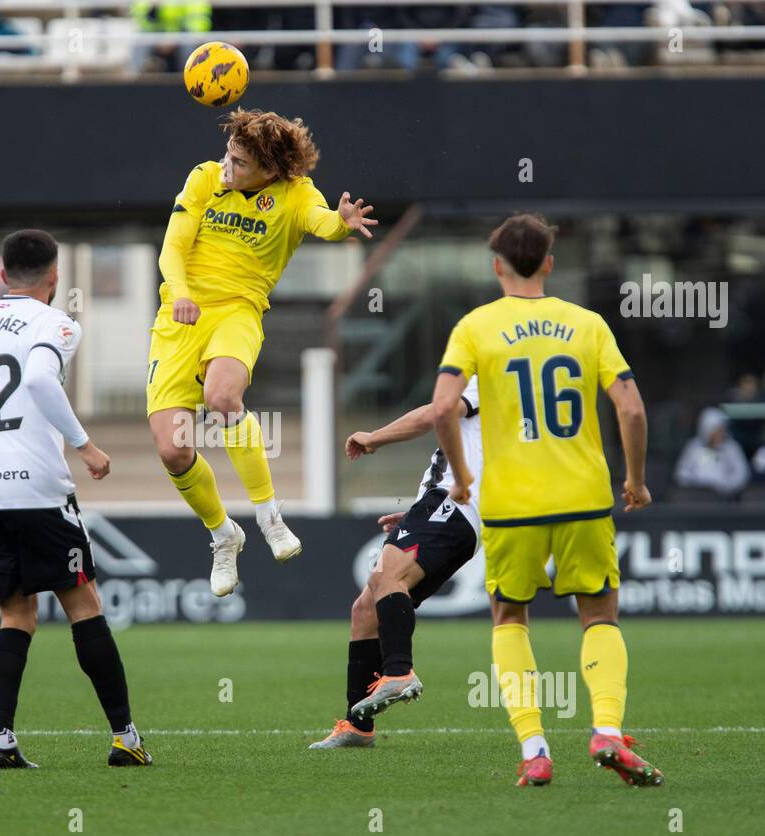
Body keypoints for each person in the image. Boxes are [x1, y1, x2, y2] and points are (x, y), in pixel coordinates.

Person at [0, 229, 151, 770]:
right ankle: (124, 738)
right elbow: (40, 380)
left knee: (16, 616)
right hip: (37, 489)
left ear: (1, 274)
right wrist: (85, 446)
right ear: (55, 276)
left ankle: (1, 740)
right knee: (83, 605)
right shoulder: (54, 323)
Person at [432, 212, 664, 788]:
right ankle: (606, 731)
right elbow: (632, 408)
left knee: (510, 617)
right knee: (599, 615)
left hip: (510, 502)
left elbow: (442, 409)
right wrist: (634, 480)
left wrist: (461, 478)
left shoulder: (475, 327)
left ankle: (535, 748)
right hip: (584, 496)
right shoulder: (587, 323)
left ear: (497, 266)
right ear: (550, 264)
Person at [146, 108, 377, 597]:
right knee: (172, 449)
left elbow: (321, 222)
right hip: (179, 315)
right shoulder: (205, 179)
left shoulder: (294, 194)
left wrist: (341, 222)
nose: (227, 166)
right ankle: (223, 534)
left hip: (238, 311)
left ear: (270, 170)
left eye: (239, 162)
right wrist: (181, 291)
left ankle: (270, 516)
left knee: (222, 398)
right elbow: (171, 247)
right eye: (228, 155)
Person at [309, 381, 482, 749]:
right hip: (450, 512)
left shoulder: (486, 380)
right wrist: (417, 516)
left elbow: (434, 414)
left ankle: (399, 670)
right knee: (366, 608)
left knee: (387, 577)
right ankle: (358, 725)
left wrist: (374, 437)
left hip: (451, 505)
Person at [673, 407, 751, 499]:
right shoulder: (693, 447)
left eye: (721, 430)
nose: (720, 433)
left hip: (724, 498)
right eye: (716, 430)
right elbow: (681, 472)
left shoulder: (731, 448)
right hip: (695, 497)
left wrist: (725, 486)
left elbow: (741, 474)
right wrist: (695, 484)